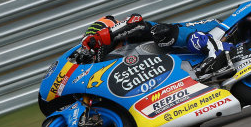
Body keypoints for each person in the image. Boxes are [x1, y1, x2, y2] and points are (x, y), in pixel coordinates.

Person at [79, 14, 236, 81]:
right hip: (184, 67)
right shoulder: (116, 57)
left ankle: (215, 49)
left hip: (208, 30)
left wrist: (108, 35)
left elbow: (137, 20)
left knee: (161, 33)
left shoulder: (132, 32)